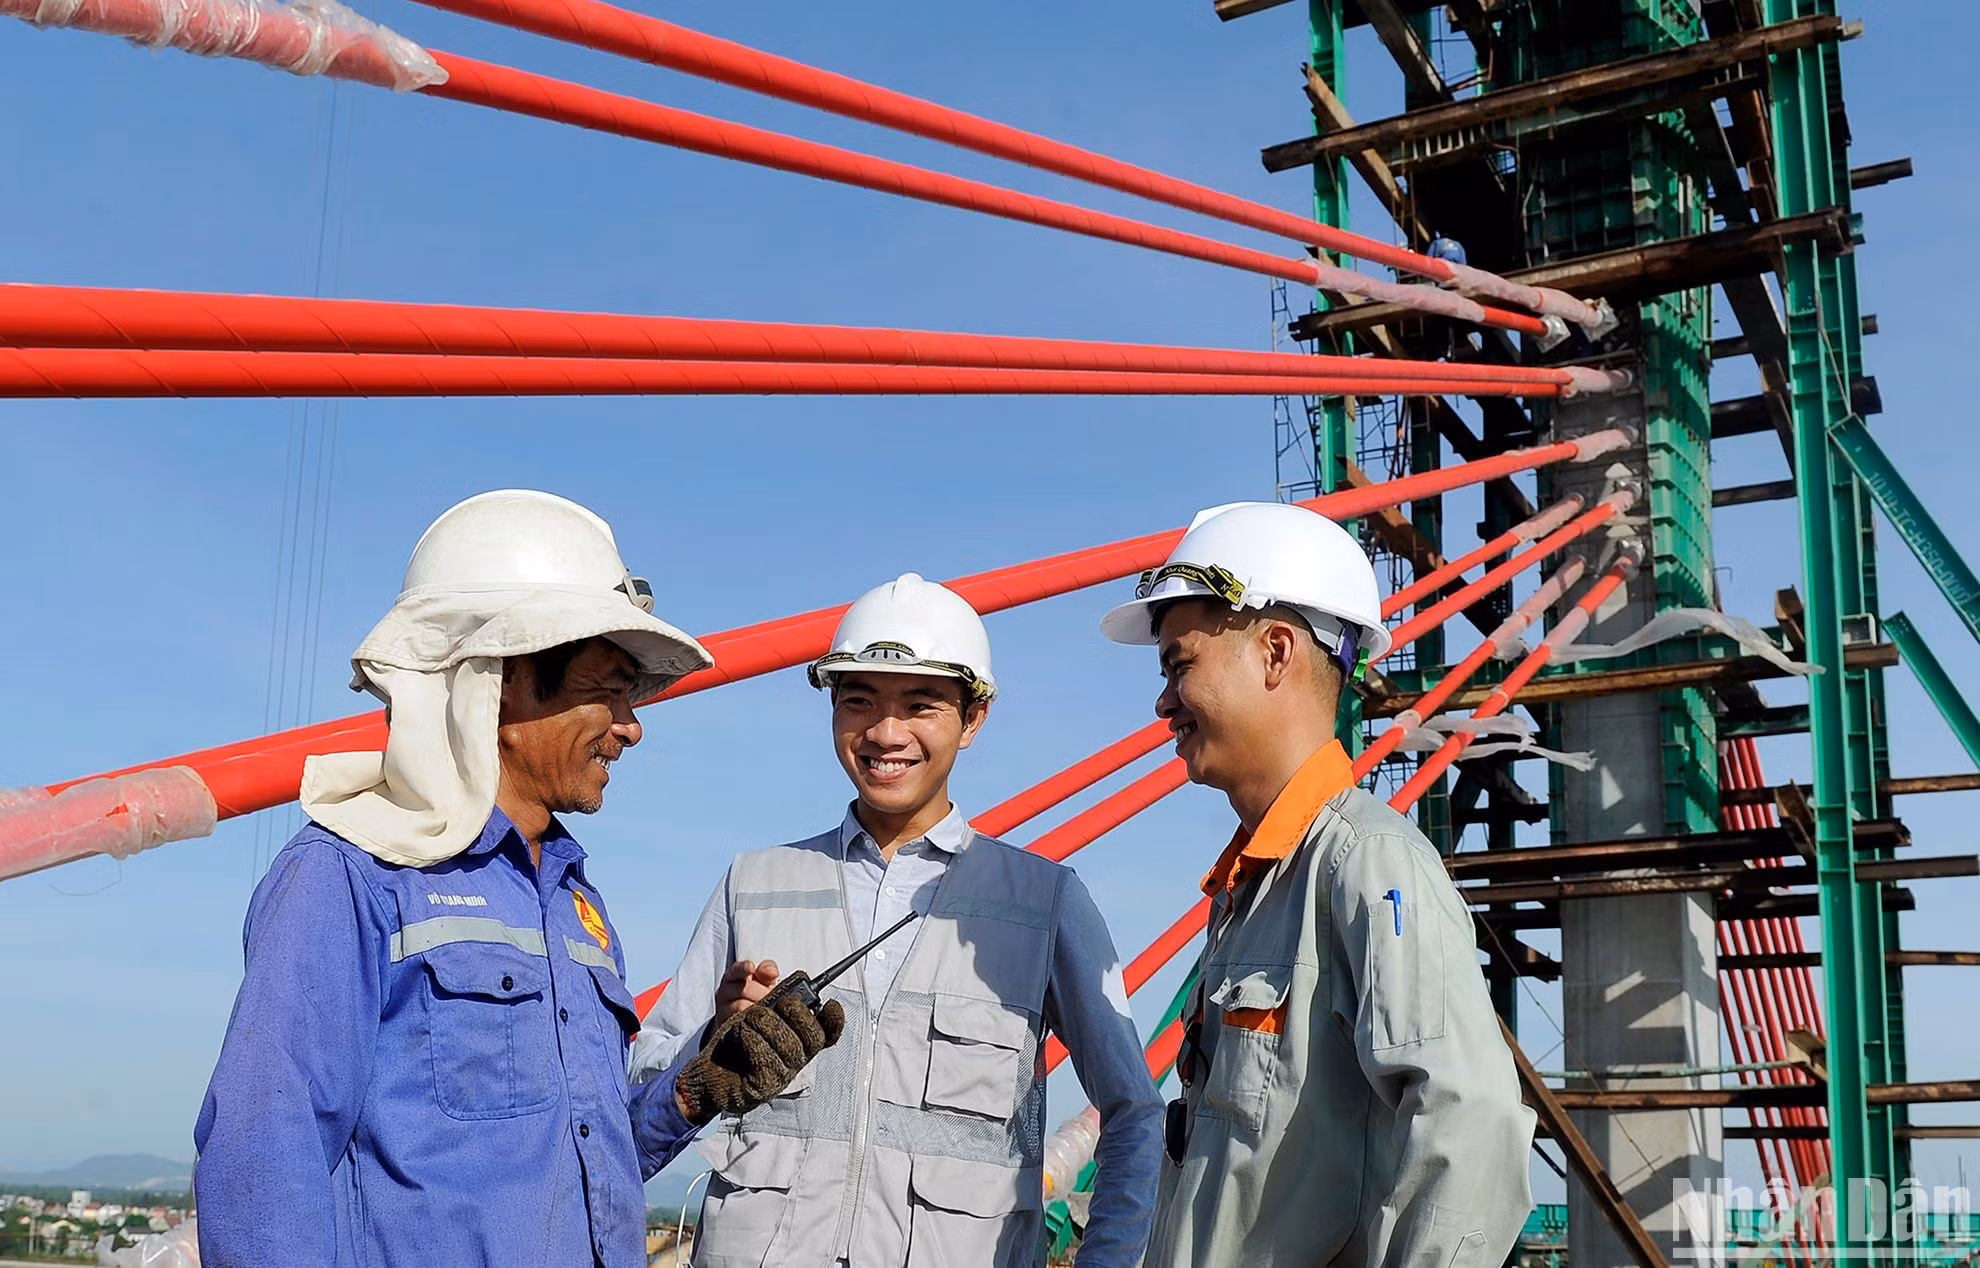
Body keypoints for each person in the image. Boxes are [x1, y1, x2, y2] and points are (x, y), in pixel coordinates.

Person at [192, 489, 841, 1268]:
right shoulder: (349, 877)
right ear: (497, 679)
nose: (632, 727)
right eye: (608, 689)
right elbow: (263, 1160)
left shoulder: (574, 902)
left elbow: (581, 1172)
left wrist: (696, 1087)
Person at [633, 572, 1164, 1267]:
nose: (885, 733)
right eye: (859, 701)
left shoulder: (1044, 903)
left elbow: (1133, 1113)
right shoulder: (752, 885)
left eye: (920, 706)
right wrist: (709, 1042)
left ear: (973, 719)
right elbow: (647, 1075)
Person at [1102, 502, 1536, 1267]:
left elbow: (1473, 1127)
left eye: (1179, 664)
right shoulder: (1255, 888)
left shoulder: (1369, 865)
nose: (1163, 701)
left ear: (1275, 652)